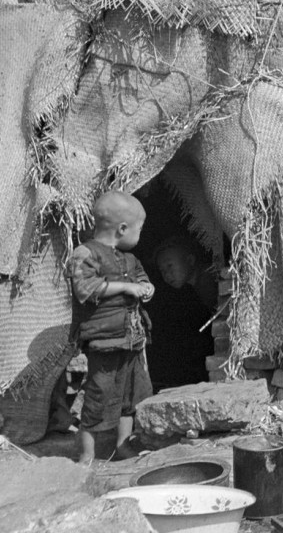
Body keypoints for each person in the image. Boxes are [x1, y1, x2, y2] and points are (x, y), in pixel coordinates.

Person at [69, 190, 155, 463]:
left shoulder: (130, 260)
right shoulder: (85, 253)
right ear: (122, 229)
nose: (140, 235)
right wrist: (127, 287)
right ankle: (86, 456)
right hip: (104, 341)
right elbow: (85, 288)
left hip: (131, 339)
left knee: (132, 396)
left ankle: (123, 444)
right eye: (140, 230)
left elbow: (142, 279)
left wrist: (147, 288)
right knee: (98, 395)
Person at [145, 237, 216, 391]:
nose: (167, 275)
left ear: (190, 260)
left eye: (170, 266)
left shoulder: (207, 281)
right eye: (162, 270)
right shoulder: (193, 287)